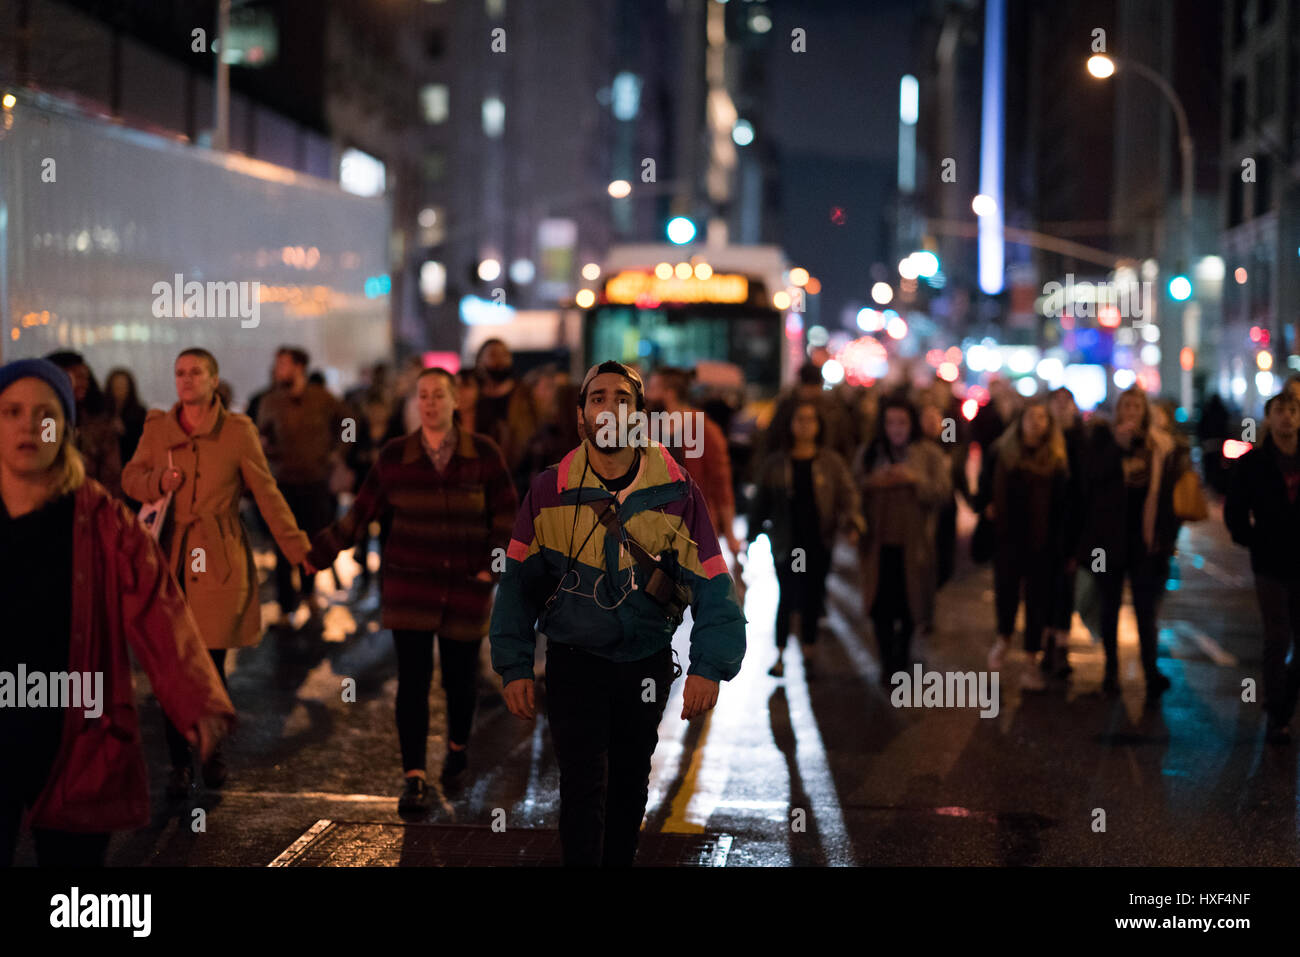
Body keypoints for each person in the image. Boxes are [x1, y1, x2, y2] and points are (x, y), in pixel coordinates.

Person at [490, 361, 746, 867]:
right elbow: (516, 586)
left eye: (622, 398)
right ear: (581, 415)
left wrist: (708, 666)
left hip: (644, 664)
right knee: (582, 788)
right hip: (573, 661)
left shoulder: (677, 491)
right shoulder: (548, 490)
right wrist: (514, 665)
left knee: (629, 785)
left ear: (639, 413)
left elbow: (714, 582)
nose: (609, 407)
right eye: (598, 398)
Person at [0, 359, 235, 866]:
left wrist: (196, 701)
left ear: (64, 427)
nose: (26, 425)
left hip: (78, 735)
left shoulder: (104, 522)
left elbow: (158, 606)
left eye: (43, 413)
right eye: (10, 411)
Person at [309, 368, 517, 811]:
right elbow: (359, 516)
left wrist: (491, 569)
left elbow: (506, 517)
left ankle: (458, 751)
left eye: (438, 395)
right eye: (422, 396)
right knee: (413, 682)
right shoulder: (395, 456)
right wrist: (316, 553)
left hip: (466, 590)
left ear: (455, 400)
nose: (430, 403)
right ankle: (414, 777)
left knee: (461, 682)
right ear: (414, 403)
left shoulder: (482, 454)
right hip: (410, 589)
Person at [122, 349, 314, 796]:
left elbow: (267, 494)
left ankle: (210, 752)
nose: (186, 381)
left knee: (210, 662)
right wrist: (156, 484)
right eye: (180, 374)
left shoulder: (238, 432)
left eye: (196, 373)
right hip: (168, 558)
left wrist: (296, 547)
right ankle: (177, 762)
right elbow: (131, 479)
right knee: (172, 662)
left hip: (217, 557)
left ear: (213, 380)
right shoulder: (158, 430)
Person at [1076, 386, 1183, 699]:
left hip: (1145, 542)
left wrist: (1165, 539)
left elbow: (1167, 498)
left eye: (1137, 406)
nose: (1132, 412)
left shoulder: (1160, 446)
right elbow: (1090, 480)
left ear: (1145, 412)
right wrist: (1116, 448)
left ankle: (1151, 673)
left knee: (1145, 610)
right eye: (1126, 406)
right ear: (1118, 410)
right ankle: (1111, 671)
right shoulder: (1102, 438)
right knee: (1109, 606)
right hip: (1108, 540)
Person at [749, 398, 862, 678]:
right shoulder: (776, 463)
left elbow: (847, 494)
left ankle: (809, 651)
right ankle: (779, 654)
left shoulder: (830, 461)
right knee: (786, 596)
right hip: (786, 542)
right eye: (800, 419)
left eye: (811, 419)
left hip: (818, 541)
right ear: (789, 424)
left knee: (812, 595)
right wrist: (751, 535)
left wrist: (853, 522)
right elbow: (760, 501)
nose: (805, 425)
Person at [855, 394, 951, 685]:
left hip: (915, 544)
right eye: (890, 423)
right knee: (880, 605)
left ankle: (903, 654)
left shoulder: (928, 454)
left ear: (912, 425)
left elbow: (943, 494)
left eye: (902, 423)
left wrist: (913, 480)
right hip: (878, 544)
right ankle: (888, 662)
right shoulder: (870, 452)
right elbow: (852, 488)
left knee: (911, 604)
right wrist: (874, 483)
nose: (896, 429)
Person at [974, 398, 1070, 690]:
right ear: (1021, 420)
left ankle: (1031, 663)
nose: (1036, 423)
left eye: (1042, 418)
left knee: (1037, 603)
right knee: (1006, 594)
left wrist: (1064, 545)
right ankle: (1003, 638)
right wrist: (986, 507)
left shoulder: (1056, 460)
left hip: (1042, 543)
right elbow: (983, 490)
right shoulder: (1001, 453)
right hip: (1007, 539)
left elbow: (1064, 505)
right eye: (1031, 417)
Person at [1225, 390, 1300, 744]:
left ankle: (1286, 703)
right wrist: (1251, 539)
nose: (1287, 417)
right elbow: (1235, 509)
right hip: (1270, 561)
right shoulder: (1254, 462)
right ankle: (1275, 710)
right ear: (1269, 417)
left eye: (1293, 410)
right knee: (1277, 635)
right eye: (1280, 410)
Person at [256, 346, 347, 625]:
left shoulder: (322, 398)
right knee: (282, 545)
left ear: (299, 366)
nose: (279, 368)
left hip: (316, 482)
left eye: (283, 363)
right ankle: (286, 607)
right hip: (283, 483)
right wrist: (264, 447)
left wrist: (339, 453)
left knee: (311, 543)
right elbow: (261, 436)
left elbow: (350, 423)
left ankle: (308, 593)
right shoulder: (270, 401)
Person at [647, 366, 742, 556]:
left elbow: (721, 484)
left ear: (669, 393)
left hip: (694, 531)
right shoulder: (649, 428)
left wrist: (730, 535)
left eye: (652, 388)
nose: (647, 395)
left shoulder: (704, 429)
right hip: (655, 531)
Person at [1047, 387, 1088, 673]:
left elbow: (1084, 489)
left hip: (1070, 527)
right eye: (1056, 402)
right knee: (1044, 590)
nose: (1061, 407)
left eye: (1066, 402)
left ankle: (1061, 647)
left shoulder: (1079, 439)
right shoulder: (1039, 438)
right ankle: (1046, 645)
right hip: (1043, 527)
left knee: (1065, 589)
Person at [44, 351, 123, 499]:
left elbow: (111, 475)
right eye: (77, 377)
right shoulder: (47, 420)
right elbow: (44, 461)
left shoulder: (98, 420)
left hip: (91, 501)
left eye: (85, 377)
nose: (83, 383)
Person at [474, 339, 538, 476]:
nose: (500, 360)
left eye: (504, 355)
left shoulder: (525, 396)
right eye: (493, 355)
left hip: (519, 473)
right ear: (480, 361)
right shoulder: (473, 397)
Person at [104, 368, 147, 484]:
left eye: (123, 386)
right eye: (116, 386)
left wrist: (125, 432)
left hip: (131, 469)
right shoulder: (103, 412)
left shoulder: (140, 413)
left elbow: (143, 444)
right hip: (107, 472)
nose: (119, 390)